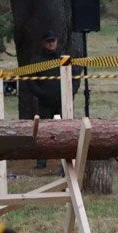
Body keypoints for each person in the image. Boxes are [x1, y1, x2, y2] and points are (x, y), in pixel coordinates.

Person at [24, 31, 80, 168]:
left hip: (63, 101)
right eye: (48, 41)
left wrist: (70, 93)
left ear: (56, 41)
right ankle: (42, 161)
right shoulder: (37, 60)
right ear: (43, 43)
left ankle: (67, 161)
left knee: (67, 130)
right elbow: (30, 81)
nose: (51, 43)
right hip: (45, 102)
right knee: (43, 131)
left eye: (53, 41)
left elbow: (76, 77)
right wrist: (41, 93)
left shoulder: (63, 59)